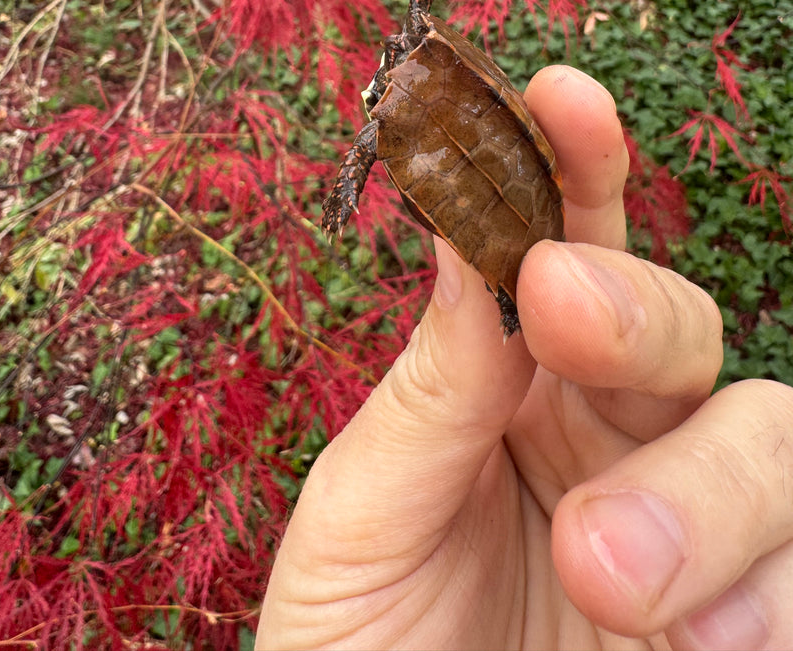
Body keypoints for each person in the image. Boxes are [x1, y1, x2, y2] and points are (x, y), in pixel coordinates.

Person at [256, 67, 792, 650]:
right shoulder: (394, 111)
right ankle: (512, 301)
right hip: (503, 191)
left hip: (508, 195)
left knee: (543, 278)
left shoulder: (392, 111)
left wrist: (344, 194)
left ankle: (514, 300)